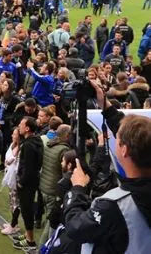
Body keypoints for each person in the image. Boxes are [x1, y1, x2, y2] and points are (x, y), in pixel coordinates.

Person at [58, 104, 151, 253]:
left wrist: (77, 190)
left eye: (117, 139)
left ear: (124, 150)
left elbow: (76, 228)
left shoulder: (115, 206)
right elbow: (141, 137)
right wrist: (106, 106)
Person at [12, 116, 44, 251]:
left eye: (21, 124)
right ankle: (27, 235)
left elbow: (29, 168)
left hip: (27, 184)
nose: (19, 126)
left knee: (26, 210)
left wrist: (21, 182)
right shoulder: (36, 141)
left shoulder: (29, 146)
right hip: (32, 181)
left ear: (27, 128)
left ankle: (30, 240)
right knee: (27, 209)